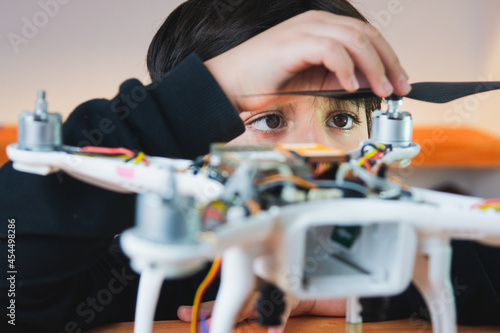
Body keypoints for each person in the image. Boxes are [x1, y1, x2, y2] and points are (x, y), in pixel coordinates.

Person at [0, 1, 498, 333]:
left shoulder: (423, 251)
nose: (316, 149)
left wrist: (386, 291)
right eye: (268, 118)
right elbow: (13, 289)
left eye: (343, 117)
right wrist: (199, 95)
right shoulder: (136, 268)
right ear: (190, 133)